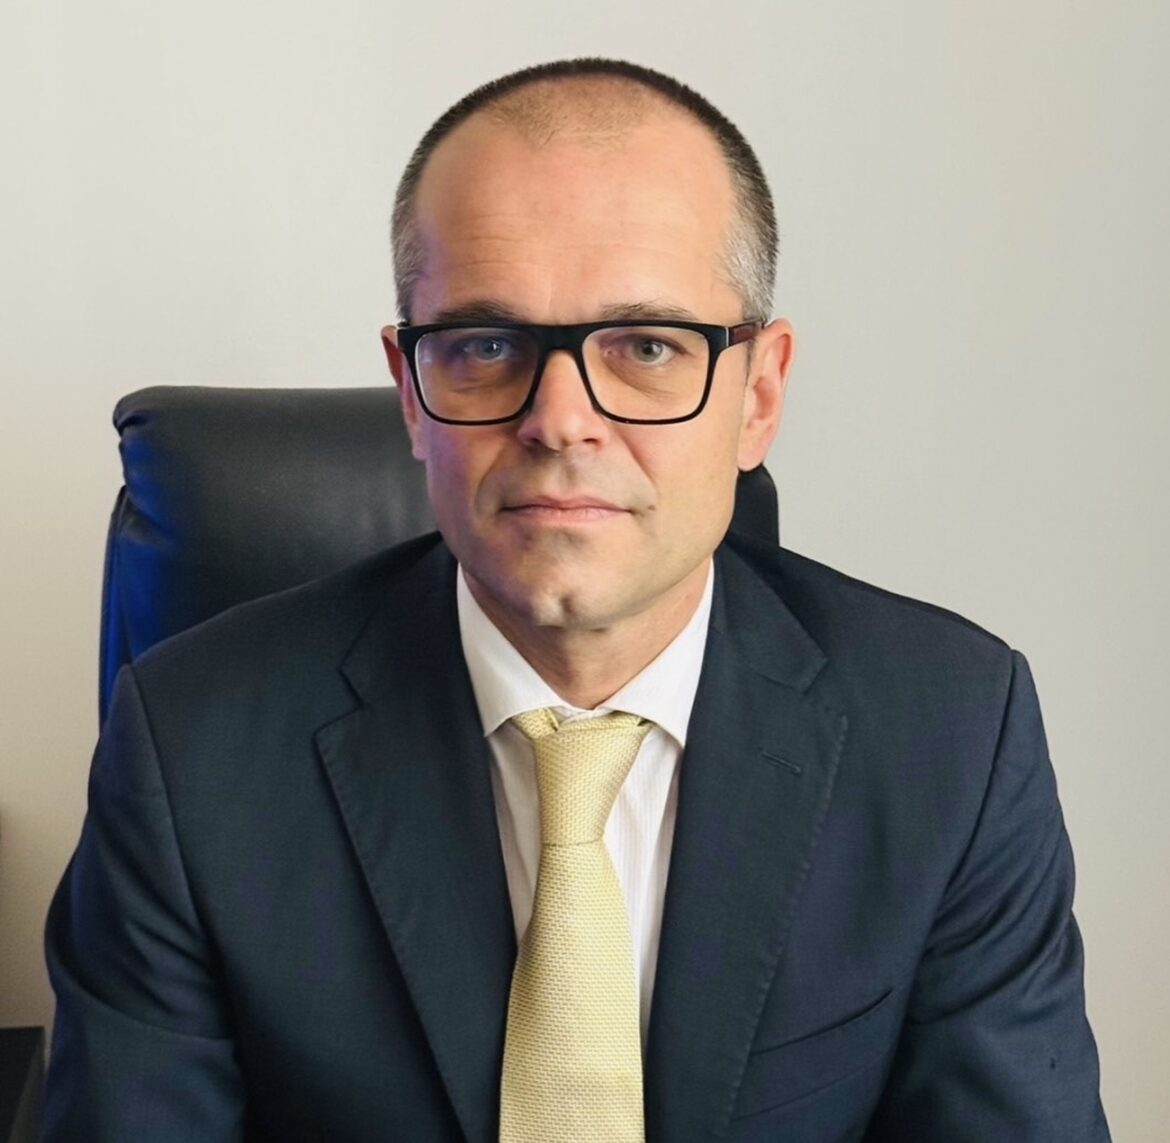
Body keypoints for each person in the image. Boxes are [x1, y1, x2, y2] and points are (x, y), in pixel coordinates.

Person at [43, 58, 1109, 1141]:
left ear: (759, 394)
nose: (560, 419)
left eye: (647, 346)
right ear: (411, 392)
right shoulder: (190, 750)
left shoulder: (950, 736)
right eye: (485, 346)